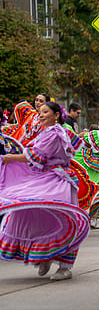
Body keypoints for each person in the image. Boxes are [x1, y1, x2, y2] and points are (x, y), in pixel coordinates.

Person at [0, 101, 90, 280]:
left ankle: (65, 267)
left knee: (64, 218)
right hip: (45, 177)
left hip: (58, 180)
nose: (40, 115)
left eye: (45, 112)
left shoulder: (56, 133)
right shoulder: (48, 132)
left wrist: (10, 158)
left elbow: (35, 156)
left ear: (56, 115)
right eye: (39, 112)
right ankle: (45, 255)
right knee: (35, 214)